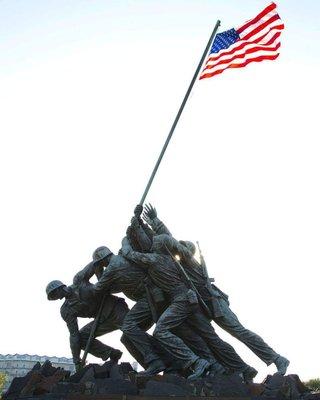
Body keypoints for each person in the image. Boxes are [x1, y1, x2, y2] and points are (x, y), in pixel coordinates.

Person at [142, 204, 290, 375]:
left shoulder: (189, 259)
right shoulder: (179, 265)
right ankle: (238, 369)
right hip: (202, 305)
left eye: (181, 246)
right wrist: (154, 222)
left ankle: (277, 358)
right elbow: (170, 239)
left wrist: (157, 223)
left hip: (215, 302)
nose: (177, 248)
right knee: (212, 339)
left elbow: (170, 239)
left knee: (239, 332)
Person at [122, 232, 255, 381]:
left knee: (161, 331)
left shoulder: (154, 259)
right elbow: (168, 240)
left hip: (181, 301)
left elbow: (129, 253)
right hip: (190, 302)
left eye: (155, 243)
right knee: (205, 338)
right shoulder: (174, 260)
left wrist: (125, 240)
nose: (152, 244)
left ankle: (196, 362)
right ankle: (232, 367)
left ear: (159, 246)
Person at [46, 259, 128, 371]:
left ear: (60, 287)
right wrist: (76, 359)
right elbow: (74, 335)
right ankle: (112, 354)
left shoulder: (79, 280)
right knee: (82, 338)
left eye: (54, 293)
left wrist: (102, 282)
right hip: (103, 319)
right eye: (53, 296)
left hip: (115, 308)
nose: (55, 296)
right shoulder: (66, 311)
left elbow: (96, 263)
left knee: (131, 332)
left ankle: (153, 358)